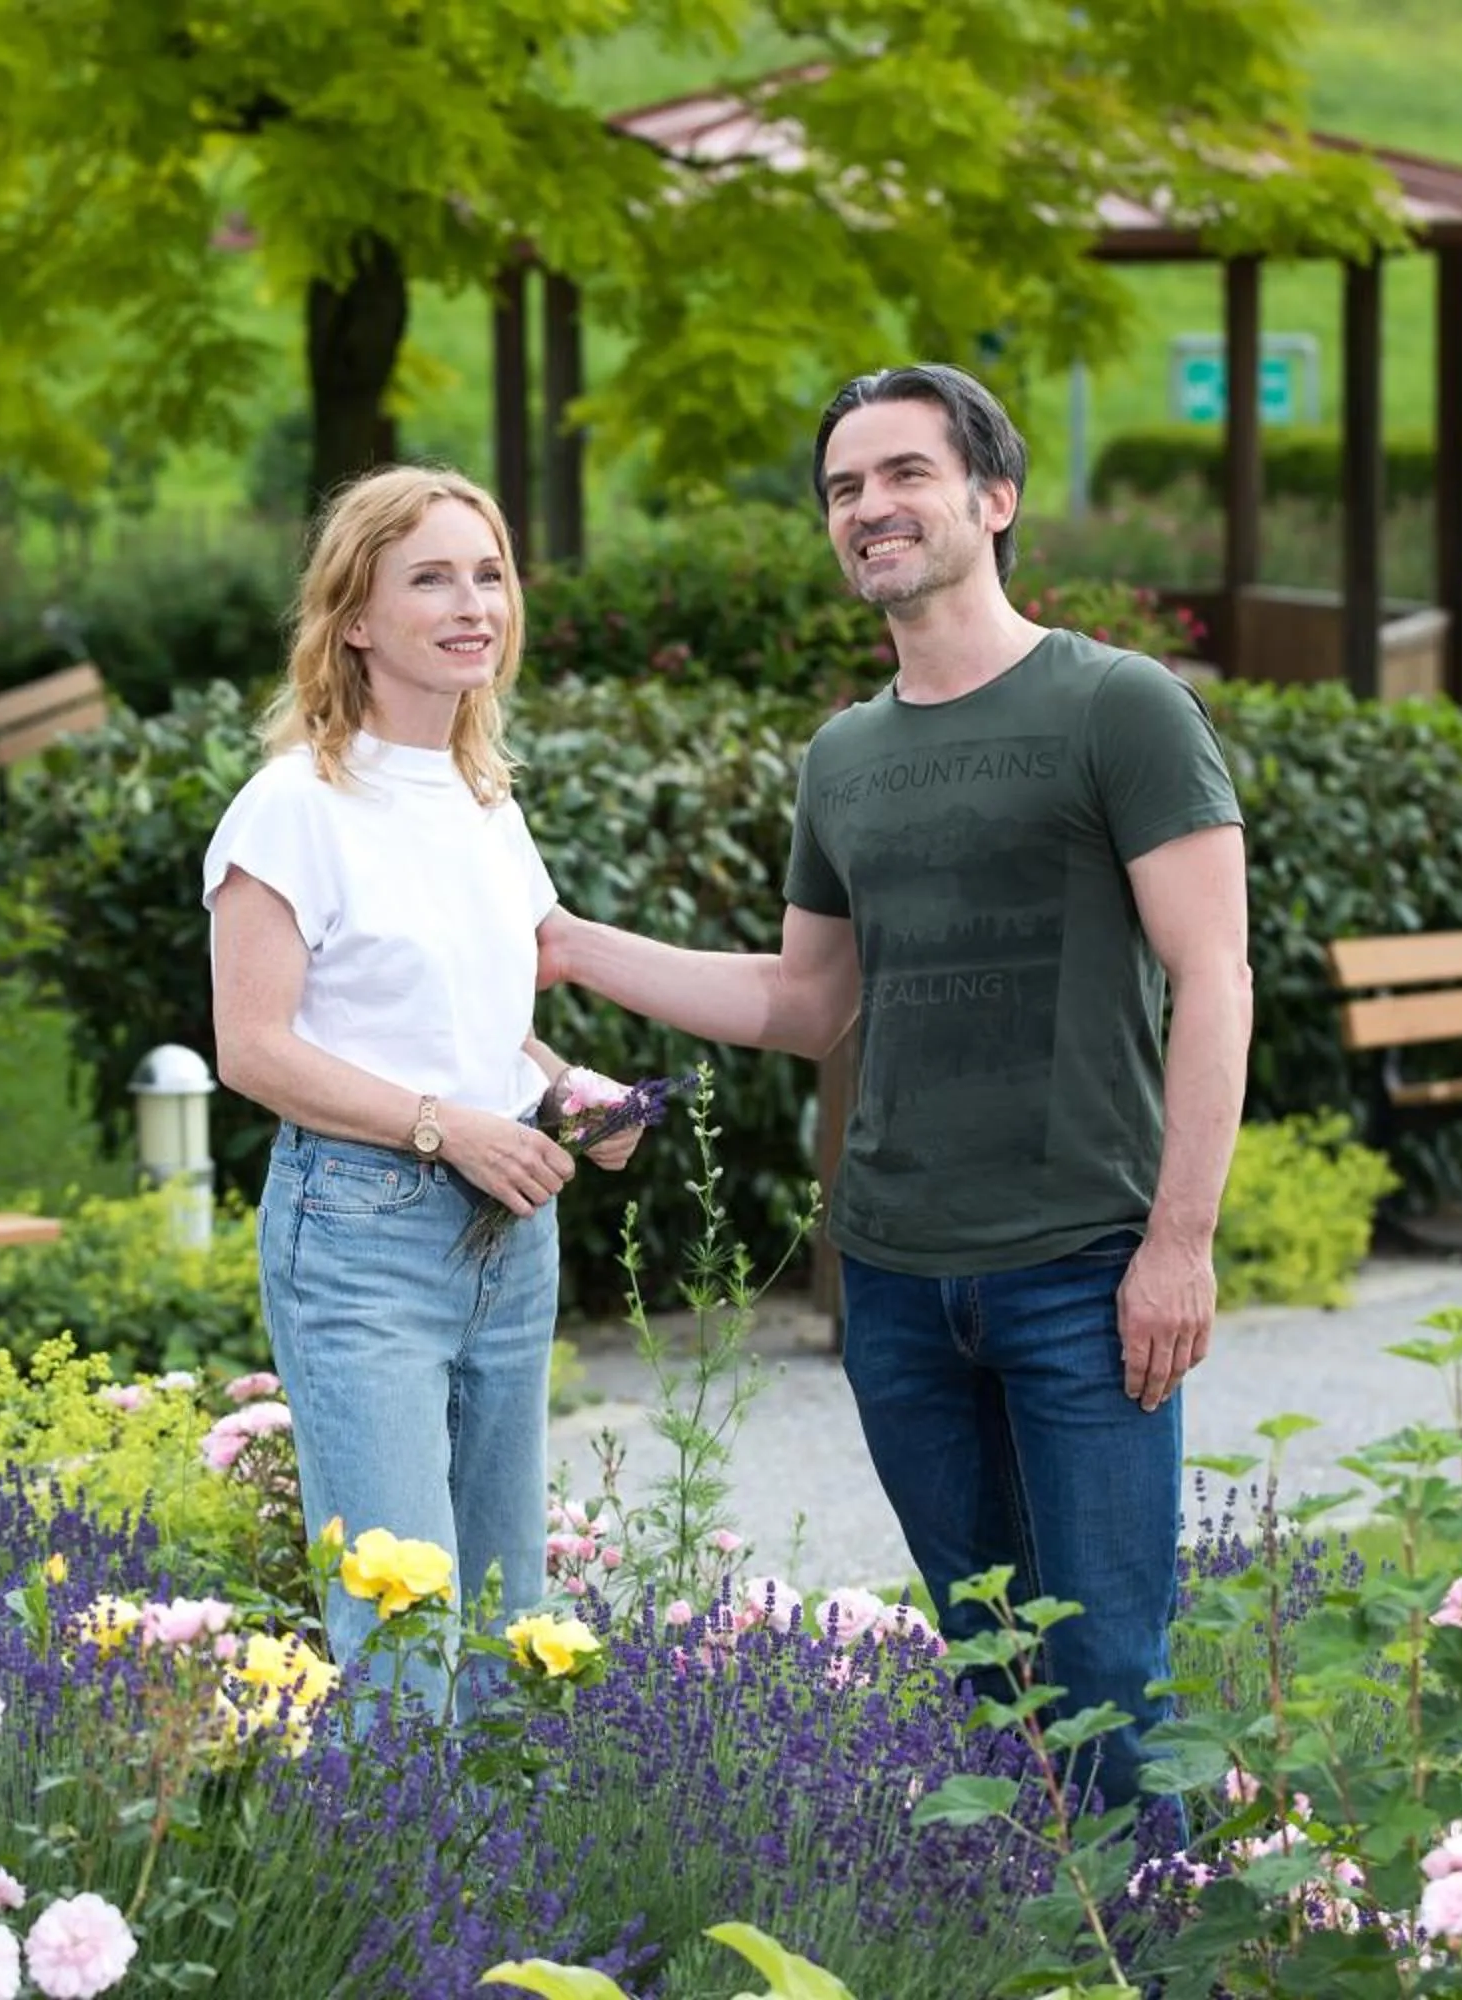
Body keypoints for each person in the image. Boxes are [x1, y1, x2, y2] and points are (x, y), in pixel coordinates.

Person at [536, 365, 1251, 1806]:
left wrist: (1180, 1245)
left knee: (1111, 1676)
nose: (871, 508)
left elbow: (1216, 978)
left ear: (994, 499)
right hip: (900, 1289)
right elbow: (808, 1002)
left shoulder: (1121, 708)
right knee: (994, 1684)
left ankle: (1155, 1965)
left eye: (904, 474)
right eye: (844, 488)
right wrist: (565, 945)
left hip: (1083, 1271)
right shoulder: (844, 758)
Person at [203, 464, 641, 1716]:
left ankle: (506, 1916)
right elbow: (254, 1047)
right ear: (353, 616)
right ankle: (392, 1908)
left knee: (508, 1628)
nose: (473, 604)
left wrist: (569, 1087)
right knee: (400, 1632)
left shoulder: (480, 796)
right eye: (432, 578)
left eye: (489, 573)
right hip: (361, 1230)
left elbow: (477, 1020)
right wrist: (449, 1128)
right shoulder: (292, 808)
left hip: (509, 1232)